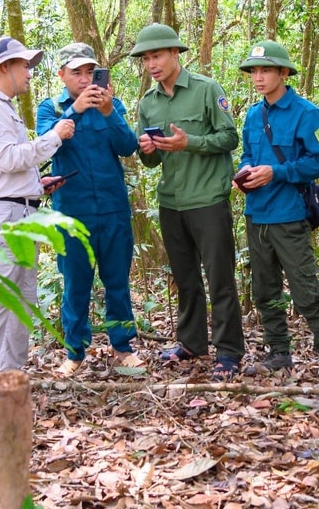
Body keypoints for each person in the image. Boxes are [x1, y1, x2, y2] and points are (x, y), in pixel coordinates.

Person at [0, 35, 75, 414]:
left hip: (20, 211)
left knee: (22, 299)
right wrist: (53, 138)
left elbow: (7, 167)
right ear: (4, 68)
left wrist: (34, 184)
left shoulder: (3, 107)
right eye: (24, 65)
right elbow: (7, 158)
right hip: (3, 217)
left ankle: (8, 377)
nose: (29, 72)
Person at [131, 23, 245, 381]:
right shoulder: (148, 103)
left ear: (175, 54)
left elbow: (230, 137)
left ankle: (228, 351)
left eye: (158, 55)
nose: (152, 64)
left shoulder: (206, 89)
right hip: (171, 202)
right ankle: (191, 341)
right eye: (146, 58)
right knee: (185, 277)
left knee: (220, 276)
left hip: (207, 198)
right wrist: (147, 149)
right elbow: (150, 161)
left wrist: (189, 142)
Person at [234, 41, 319, 386]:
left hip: (289, 215)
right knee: (264, 291)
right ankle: (279, 352)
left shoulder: (305, 112)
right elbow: (246, 155)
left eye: (266, 70)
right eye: (254, 71)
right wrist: (244, 174)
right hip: (257, 214)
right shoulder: (254, 115)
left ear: (284, 73)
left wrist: (276, 172)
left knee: (306, 292)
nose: (258, 77)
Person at [36, 43, 141, 377]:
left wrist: (109, 112)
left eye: (89, 72)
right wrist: (76, 111)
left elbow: (128, 147)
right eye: (76, 73)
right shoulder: (50, 108)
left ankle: (122, 347)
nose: (84, 80)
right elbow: (45, 146)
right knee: (75, 283)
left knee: (117, 281)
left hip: (113, 210)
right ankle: (75, 352)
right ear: (62, 75)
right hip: (72, 213)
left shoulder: (113, 106)